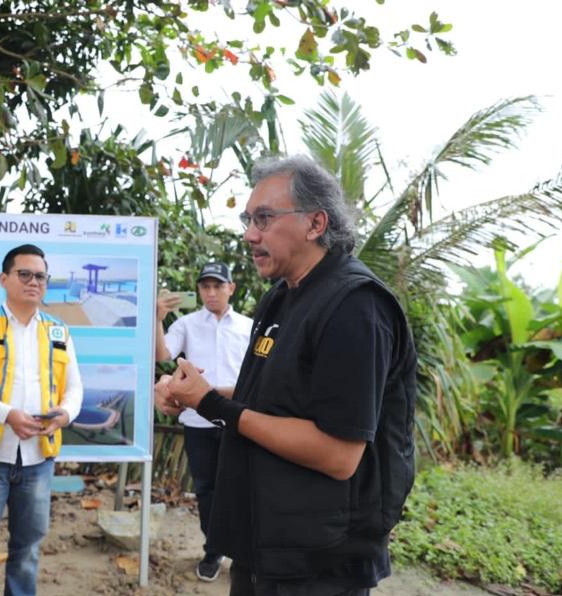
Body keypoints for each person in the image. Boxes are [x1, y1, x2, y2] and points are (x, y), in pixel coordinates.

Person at [156, 156, 416, 596]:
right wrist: (194, 395)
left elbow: (338, 454)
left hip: (319, 562)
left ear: (316, 223)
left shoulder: (355, 307)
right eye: (247, 219)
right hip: (265, 544)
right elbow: (271, 396)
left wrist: (212, 404)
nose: (250, 235)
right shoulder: (283, 297)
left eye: (264, 218)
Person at [0, 244, 83, 596]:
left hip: (38, 459)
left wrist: (64, 415)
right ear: (4, 279)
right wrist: (7, 414)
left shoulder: (58, 332)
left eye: (40, 276)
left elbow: (74, 388)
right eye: (24, 274)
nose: (33, 282)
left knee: (27, 553)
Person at [154, 261, 252, 582]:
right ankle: (213, 549)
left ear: (231, 288)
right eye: (205, 287)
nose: (211, 293)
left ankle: (245, 554)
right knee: (206, 489)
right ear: (198, 290)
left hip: (239, 421)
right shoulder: (187, 323)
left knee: (242, 488)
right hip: (197, 422)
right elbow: (162, 354)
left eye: (217, 286)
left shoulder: (250, 326)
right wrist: (157, 318)